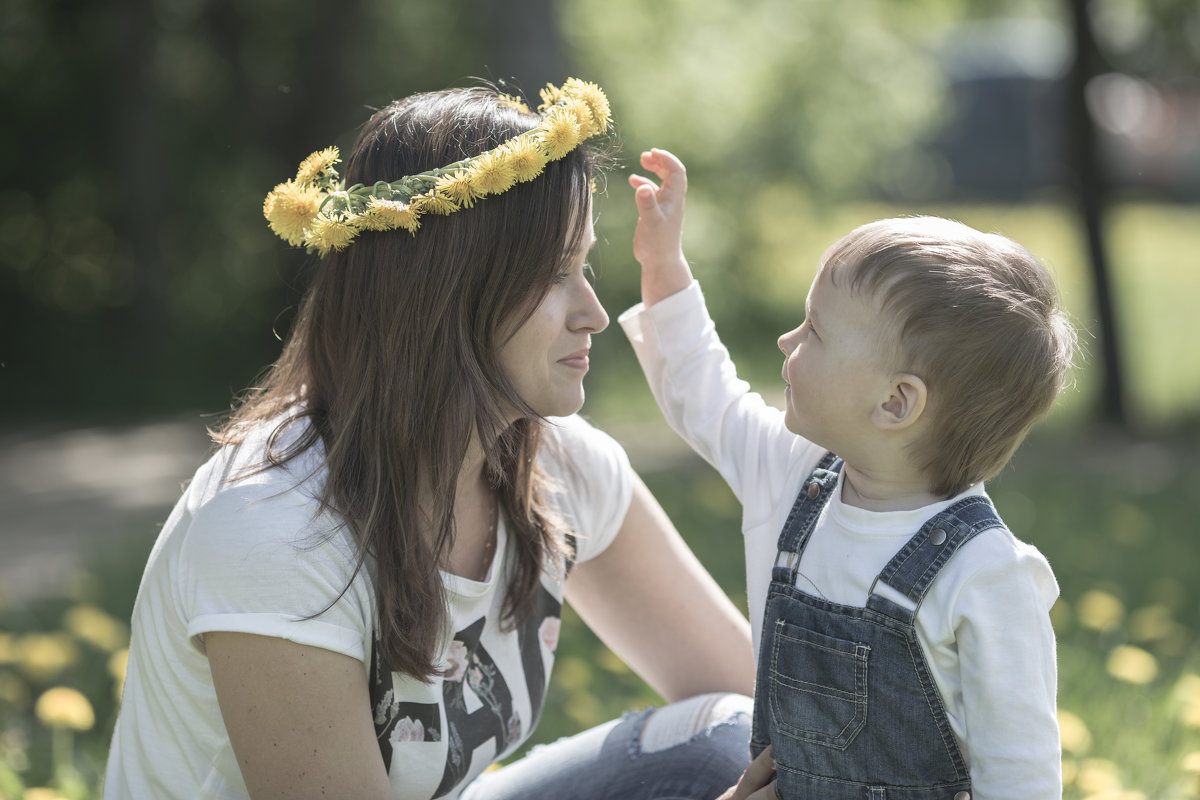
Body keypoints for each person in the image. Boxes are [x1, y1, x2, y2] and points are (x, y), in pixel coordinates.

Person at [103, 82, 762, 800]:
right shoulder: (273, 532)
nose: (595, 314)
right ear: (444, 290)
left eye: (585, 266)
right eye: (553, 275)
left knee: (727, 736)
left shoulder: (563, 463)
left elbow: (765, 717)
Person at [620, 148, 1077, 799]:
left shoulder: (985, 574)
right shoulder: (796, 473)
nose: (787, 341)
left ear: (895, 402)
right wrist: (664, 268)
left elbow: (1022, 774)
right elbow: (705, 396)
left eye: (815, 332)